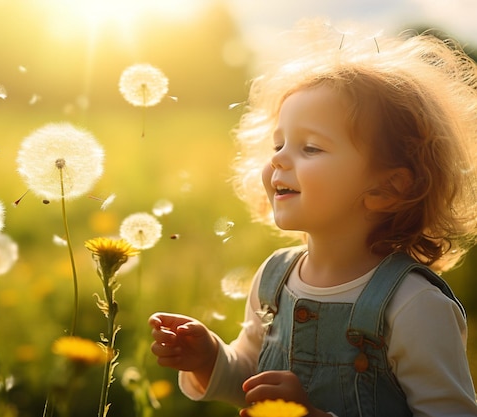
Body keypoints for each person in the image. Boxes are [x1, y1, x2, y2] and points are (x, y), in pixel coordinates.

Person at [149, 19, 477, 417]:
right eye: (278, 143)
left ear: (386, 189)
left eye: (310, 147)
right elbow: (253, 378)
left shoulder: (414, 306)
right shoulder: (274, 280)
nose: (278, 159)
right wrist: (209, 359)